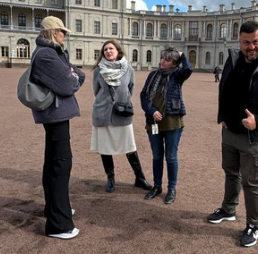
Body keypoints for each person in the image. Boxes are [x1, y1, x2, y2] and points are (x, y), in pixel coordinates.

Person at [207, 20, 258, 247]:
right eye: (246, 42)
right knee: (231, 173)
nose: (251, 47)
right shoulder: (233, 59)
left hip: (255, 135)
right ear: (240, 41)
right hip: (230, 130)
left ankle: (254, 225)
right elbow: (224, 89)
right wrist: (223, 115)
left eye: (255, 42)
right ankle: (228, 209)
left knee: (252, 181)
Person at [30, 16, 85, 240]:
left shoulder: (52, 53)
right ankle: (58, 224)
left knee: (54, 162)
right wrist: (72, 75)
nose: (65, 35)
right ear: (54, 33)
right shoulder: (46, 54)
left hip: (57, 113)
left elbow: (78, 74)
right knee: (60, 164)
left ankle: (54, 208)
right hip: (55, 114)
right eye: (63, 32)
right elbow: (68, 83)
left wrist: (72, 74)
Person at [91, 39, 153, 193]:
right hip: (103, 113)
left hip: (122, 112)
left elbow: (130, 88)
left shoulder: (128, 68)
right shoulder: (98, 70)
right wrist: (106, 102)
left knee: (130, 146)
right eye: (105, 50)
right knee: (105, 147)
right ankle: (111, 179)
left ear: (118, 51)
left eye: (111, 48)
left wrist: (122, 102)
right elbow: (96, 91)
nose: (108, 51)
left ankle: (140, 178)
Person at [140, 47, 193, 204]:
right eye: (162, 58)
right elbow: (143, 95)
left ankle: (171, 188)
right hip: (154, 122)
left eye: (167, 59)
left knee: (171, 156)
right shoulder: (153, 75)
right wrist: (152, 111)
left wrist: (182, 55)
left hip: (172, 122)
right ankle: (157, 186)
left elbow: (188, 69)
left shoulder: (178, 75)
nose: (163, 61)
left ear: (174, 63)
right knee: (157, 155)